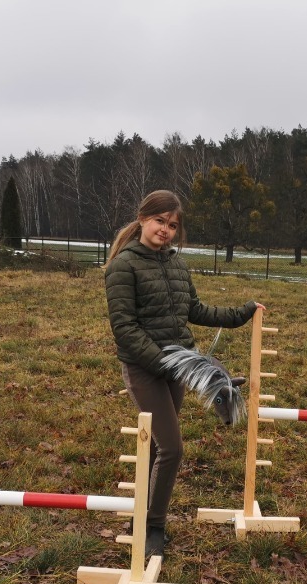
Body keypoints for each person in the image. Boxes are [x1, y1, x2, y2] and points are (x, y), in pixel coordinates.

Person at [104, 190, 263, 557]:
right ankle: (154, 526)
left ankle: (140, 519)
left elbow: (195, 309)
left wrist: (241, 313)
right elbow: (124, 328)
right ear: (143, 218)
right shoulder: (122, 266)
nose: (165, 230)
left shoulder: (176, 265)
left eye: (172, 225)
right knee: (173, 449)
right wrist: (165, 362)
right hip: (145, 370)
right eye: (160, 221)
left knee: (159, 446)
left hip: (177, 367)